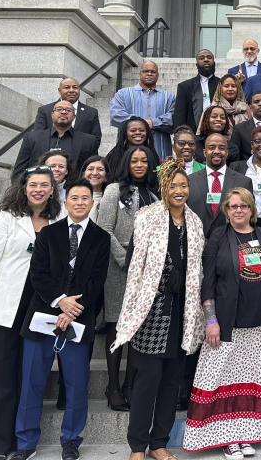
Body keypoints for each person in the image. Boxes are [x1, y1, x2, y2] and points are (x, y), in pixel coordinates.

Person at [110, 159, 206, 460]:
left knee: (171, 382)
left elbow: (198, 271)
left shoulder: (195, 222)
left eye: (183, 186)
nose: (179, 191)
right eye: (173, 186)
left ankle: (159, 443)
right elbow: (136, 267)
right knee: (146, 381)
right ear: (163, 188)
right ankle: (137, 445)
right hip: (152, 308)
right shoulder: (147, 217)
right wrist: (131, 307)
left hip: (182, 311)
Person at [9, 179, 110, 460]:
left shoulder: (101, 238)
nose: (79, 202)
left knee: (77, 383)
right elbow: (38, 274)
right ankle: (26, 442)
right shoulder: (48, 233)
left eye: (85, 198)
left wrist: (70, 310)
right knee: (32, 381)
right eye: (74, 198)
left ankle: (71, 440)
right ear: (65, 202)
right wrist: (59, 302)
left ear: (92, 203)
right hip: (42, 315)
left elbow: (96, 281)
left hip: (78, 317)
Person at [183, 187, 261, 458]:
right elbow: (207, 282)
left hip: (258, 325)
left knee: (252, 380)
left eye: (243, 206)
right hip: (226, 324)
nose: (238, 210)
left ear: (252, 210)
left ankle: (247, 434)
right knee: (221, 380)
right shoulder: (218, 237)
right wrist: (211, 320)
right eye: (232, 206)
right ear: (226, 212)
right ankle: (227, 437)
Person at [0, 166, 61, 459]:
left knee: (29, 373)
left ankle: (20, 441)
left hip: (43, 303)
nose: (38, 189)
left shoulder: (60, 218)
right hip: (8, 303)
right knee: (1, 373)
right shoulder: (8, 217)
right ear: (24, 188)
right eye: (33, 184)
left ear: (52, 189)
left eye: (44, 185)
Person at [97, 146, 160, 412]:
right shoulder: (113, 191)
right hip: (118, 267)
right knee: (116, 325)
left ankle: (130, 385)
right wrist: (126, 258)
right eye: (134, 160)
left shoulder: (155, 195)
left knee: (137, 327)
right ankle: (113, 385)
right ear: (126, 163)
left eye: (144, 160)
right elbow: (103, 229)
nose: (139, 164)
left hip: (146, 270)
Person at [187, 132, 253, 237]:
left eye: (221, 148)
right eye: (212, 147)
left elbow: (248, 218)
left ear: (227, 152)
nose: (217, 151)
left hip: (231, 244)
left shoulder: (244, 182)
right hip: (197, 243)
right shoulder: (189, 181)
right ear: (204, 152)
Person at [12, 100, 98, 180]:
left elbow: (92, 171)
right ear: (52, 114)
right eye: (59, 109)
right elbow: (19, 171)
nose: (64, 112)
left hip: (71, 192)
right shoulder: (32, 138)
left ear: (74, 116)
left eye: (68, 110)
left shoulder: (88, 141)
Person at [111, 60, 177, 162]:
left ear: (158, 75)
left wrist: (153, 123)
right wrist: (143, 125)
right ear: (140, 73)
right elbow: (116, 115)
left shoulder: (169, 97)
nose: (149, 74)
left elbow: (174, 119)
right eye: (146, 71)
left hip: (160, 151)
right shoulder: (123, 94)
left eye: (153, 71)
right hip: (128, 154)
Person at [33, 77, 102, 149]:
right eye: (67, 87)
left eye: (75, 87)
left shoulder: (91, 112)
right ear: (59, 91)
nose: (71, 90)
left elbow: (96, 140)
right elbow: (38, 136)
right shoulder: (45, 110)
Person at [174, 50, 221, 133]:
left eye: (209, 57)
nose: (206, 60)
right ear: (196, 65)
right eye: (201, 58)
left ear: (214, 63)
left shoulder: (222, 84)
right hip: (193, 136)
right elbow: (179, 116)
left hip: (218, 133)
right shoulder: (185, 87)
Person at [80, 154, 109, 221]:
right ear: (83, 174)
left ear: (106, 177)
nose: (95, 173)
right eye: (90, 169)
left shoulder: (109, 199)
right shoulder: (72, 197)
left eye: (100, 169)